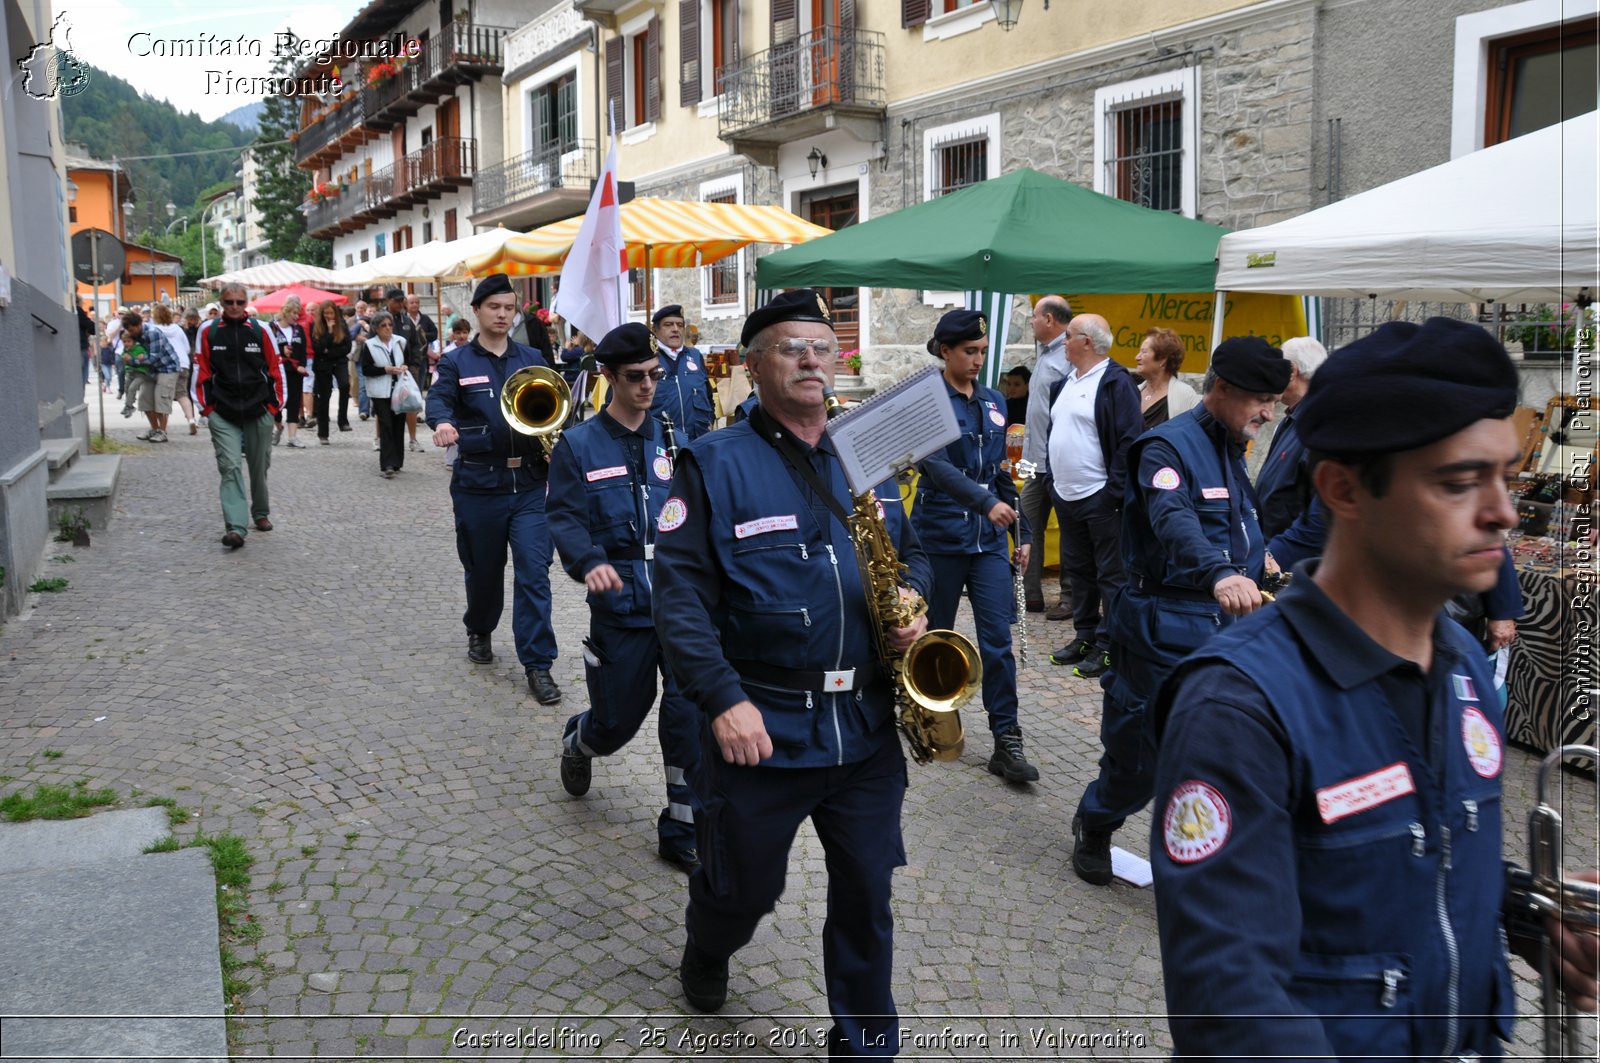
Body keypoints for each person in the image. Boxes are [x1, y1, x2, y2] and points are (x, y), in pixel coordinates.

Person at [1150, 317, 1600, 1057]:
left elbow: (1427, 843)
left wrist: (1524, 909)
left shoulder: (1457, 665)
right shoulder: (1240, 706)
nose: (1505, 512)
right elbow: (1232, 1009)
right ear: (1343, 490)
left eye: (1507, 477)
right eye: (1460, 481)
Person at [653, 289, 931, 1056]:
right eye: (790, 346)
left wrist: (915, 605)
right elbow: (679, 603)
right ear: (753, 364)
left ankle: (866, 1043)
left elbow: (908, 556)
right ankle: (708, 944)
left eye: (822, 344)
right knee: (742, 889)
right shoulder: (712, 464)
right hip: (762, 729)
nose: (812, 358)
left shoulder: (864, 454)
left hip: (865, 729)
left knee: (867, 895)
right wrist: (722, 699)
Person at [1069, 336, 1289, 886]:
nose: (1269, 411)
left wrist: (1261, 561)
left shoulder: (1232, 446)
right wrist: (1221, 573)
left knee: (1224, 750)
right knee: (1140, 753)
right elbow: (1174, 521)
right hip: (1163, 626)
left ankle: (1205, 855)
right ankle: (1096, 822)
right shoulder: (1164, 447)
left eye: (1274, 400)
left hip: (1228, 629)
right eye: (1260, 398)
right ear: (1222, 388)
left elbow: (1234, 523)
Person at [546, 322, 701, 873]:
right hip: (622, 611)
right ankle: (581, 741)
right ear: (607, 376)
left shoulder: (672, 438)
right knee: (618, 723)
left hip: (681, 609)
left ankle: (683, 826)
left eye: (655, 375)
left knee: (689, 716)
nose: (648, 386)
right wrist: (589, 563)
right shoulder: (578, 444)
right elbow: (564, 517)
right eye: (635, 377)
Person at [913, 309, 1039, 784]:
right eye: (969, 352)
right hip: (941, 536)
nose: (977, 360)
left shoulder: (993, 401)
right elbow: (935, 468)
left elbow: (1005, 469)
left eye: (983, 352)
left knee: (996, 642)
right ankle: (932, 719)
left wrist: (1019, 532)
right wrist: (986, 504)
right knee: (935, 633)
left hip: (987, 542)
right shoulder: (928, 401)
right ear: (945, 351)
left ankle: (1006, 737)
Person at [426, 274, 563, 706]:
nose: (502, 315)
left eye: (509, 308)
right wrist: (443, 423)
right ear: (478, 310)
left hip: (529, 485)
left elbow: (556, 407)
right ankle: (480, 628)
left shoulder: (533, 357)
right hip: (478, 484)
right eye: (494, 308)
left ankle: (538, 664)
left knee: (534, 573)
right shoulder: (456, 362)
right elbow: (439, 402)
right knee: (483, 571)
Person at [1043, 312, 1142, 680]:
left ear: (1087, 341)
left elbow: (1130, 441)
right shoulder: (1065, 382)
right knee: (1079, 571)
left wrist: (1111, 492)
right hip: (1066, 495)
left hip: (1100, 497)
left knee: (1111, 575)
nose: (1062, 341)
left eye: (1068, 335)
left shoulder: (1116, 382)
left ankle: (1109, 644)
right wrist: (1054, 480)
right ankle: (1084, 635)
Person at [192, 282, 283, 549]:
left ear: (246, 303)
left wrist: (274, 408)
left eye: (239, 302)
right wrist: (207, 409)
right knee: (230, 466)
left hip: (259, 409)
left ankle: (261, 513)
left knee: (259, 465)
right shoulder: (207, 331)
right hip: (223, 412)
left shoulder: (261, 330)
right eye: (229, 302)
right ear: (221, 304)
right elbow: (201, 372)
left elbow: (276, 372)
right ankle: (236, 527)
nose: (234, 307)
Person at [1020, 296, 1074, 619]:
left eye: (1034, 316)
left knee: (1069, 529)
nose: (1030, 321)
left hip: (1059, 460)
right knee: (1027, 523)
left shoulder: (1068, 354)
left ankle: (1069, 597)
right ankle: (1030, 594)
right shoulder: (1045, 352)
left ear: (1050, 319)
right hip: (1033, 459)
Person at [649, 305, 715, 440]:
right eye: (668, 325)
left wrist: (710, 421)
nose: (675, 329)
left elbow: (708, 396)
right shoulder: (648, 359)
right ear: (655, 330)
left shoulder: (695, 356)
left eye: (680, 325)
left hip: (697, 441)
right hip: (661, 443)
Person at [119, 310, 181, 443]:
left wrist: (132, 361)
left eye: (132, 329)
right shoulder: (134, 335)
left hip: (167, 368)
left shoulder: (153, 332)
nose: (130, 332)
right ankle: (154, 429)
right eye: (128, 330)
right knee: (144, 399)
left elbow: (153, 357)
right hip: (150, 371)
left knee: (161, 399)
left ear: (139, 324)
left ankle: (162, 432)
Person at [361, 311, 409, 478]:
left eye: (389, 325)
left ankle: (397, 462)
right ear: (376, 328)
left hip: (399, 388)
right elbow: (366, 369)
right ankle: (387, 464)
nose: (387, 328)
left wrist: (405, 367)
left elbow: (410, 360)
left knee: (398, 424)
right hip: (379, 391)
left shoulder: (400, 341)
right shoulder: (369, 345)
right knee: (386, 425)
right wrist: (385, 370)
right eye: (383, 326)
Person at [1132, 327, 1199, 429]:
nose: (1137, 357)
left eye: (1144, 352)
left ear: (1163, 359)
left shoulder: (1185, 395)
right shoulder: (1133, 392)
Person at [384, 288, 425, 453]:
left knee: (410, 404)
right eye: (397, 301)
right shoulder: (381, 319)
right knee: (385, 406)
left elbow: (415, 344)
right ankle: (380, 439)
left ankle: (413, 439)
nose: (401, 304)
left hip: (407, 369)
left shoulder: (406, 321)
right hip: (387, 370)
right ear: (389, 300)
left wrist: (414, 364)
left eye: (402, 301)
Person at [310, 301, 354, 443]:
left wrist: (329, 352)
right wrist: (328, 333)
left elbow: (347, 346)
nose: (329, 316)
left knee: (344, 385)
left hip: (338, 361)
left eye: (331, 313)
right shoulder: (316, 326)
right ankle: (323, 433)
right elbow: (318, 348)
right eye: (326, 313)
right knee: (324, 396)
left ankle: (343, 420)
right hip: (323, 365)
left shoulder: (342, 324)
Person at [152, 304, 198, 436]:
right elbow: (187, 348)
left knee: (164, 395)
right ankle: (190, 419)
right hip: (184, 363)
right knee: (182, 394)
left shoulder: (155, 329)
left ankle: (162, 427)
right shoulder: (178, 329)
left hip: (167, 366)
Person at [269, 298, 309, 449]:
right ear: (285, 312)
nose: (296, 316)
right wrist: (281, 351)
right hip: (278, 372)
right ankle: (278, 427)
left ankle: (292, 437)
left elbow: (303, 351)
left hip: (295, 372)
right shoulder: (272, 328)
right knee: (276, 403)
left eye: (298, 314)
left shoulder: (298, 329)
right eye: (294, 313)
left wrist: (302, 365)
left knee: (294, 403)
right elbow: (268, 350)